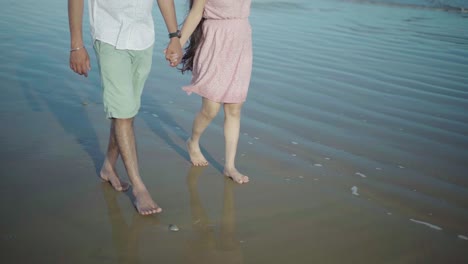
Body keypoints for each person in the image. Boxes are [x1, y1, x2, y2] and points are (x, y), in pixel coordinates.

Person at [68, 0, 183, 215]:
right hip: (110, 36)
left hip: (143, 37)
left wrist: (174, 36)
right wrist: (76, 45)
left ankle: (108, 167)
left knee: (127, 113)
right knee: (122, 114)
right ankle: (139, 188)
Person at [170, 0, 252, 184]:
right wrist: (178, 44)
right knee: (211, 108)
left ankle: (230, 166)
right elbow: (196, 13)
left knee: (234, 108)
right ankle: (193, 141)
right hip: (215, 43)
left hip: (241, 42)